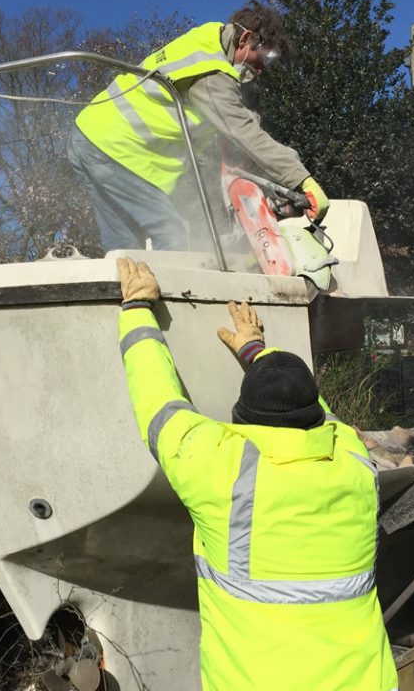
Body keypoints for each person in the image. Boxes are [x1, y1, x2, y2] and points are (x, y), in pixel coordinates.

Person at [115, 257, 398, 691]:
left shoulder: (222, 470)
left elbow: (157, 401)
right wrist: (260, 356)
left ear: (242, 418)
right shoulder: (357, 463)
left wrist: (136, 309)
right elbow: (324, 416)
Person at [69, 0, 330, 252]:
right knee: (173, 236)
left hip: (90, 136)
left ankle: (131, 297)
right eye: (263, 57)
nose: (262, 68)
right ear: (244, 38)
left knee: (125, 246)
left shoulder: (206, 40)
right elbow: (245, 132)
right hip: (114, 149)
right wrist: (301, 179)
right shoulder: (212, 73)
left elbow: (232, 126)